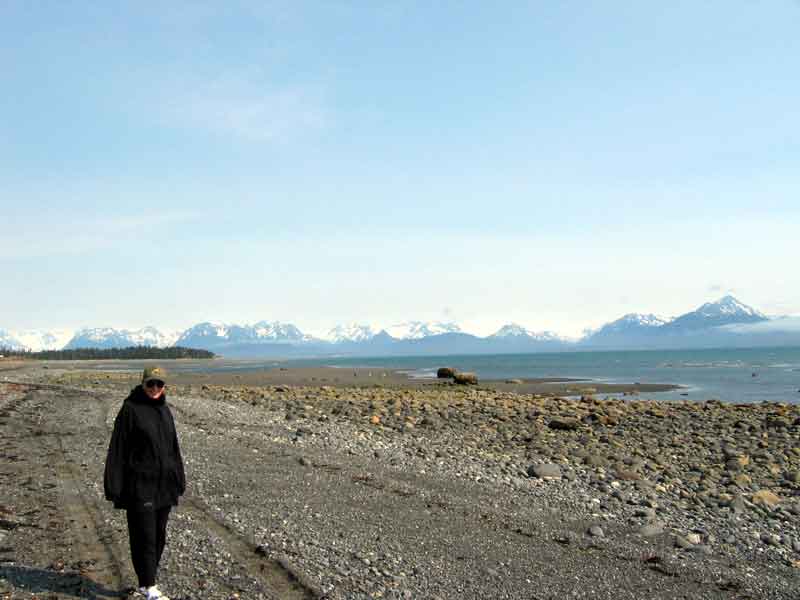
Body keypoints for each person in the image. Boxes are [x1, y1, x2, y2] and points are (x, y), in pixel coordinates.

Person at [104, 366, 185, 600]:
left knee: (159, 535)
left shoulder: (164, 409)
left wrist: (179, 477)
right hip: (140, 485)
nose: (155, 388)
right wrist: (113, 485)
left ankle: (147, 581)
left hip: (164, 486)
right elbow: (117, 448)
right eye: (151, 384)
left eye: (159, 384)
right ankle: (148, 585)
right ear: (142, 384)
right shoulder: (130, 409)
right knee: (144, 536)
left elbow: (173, 448)